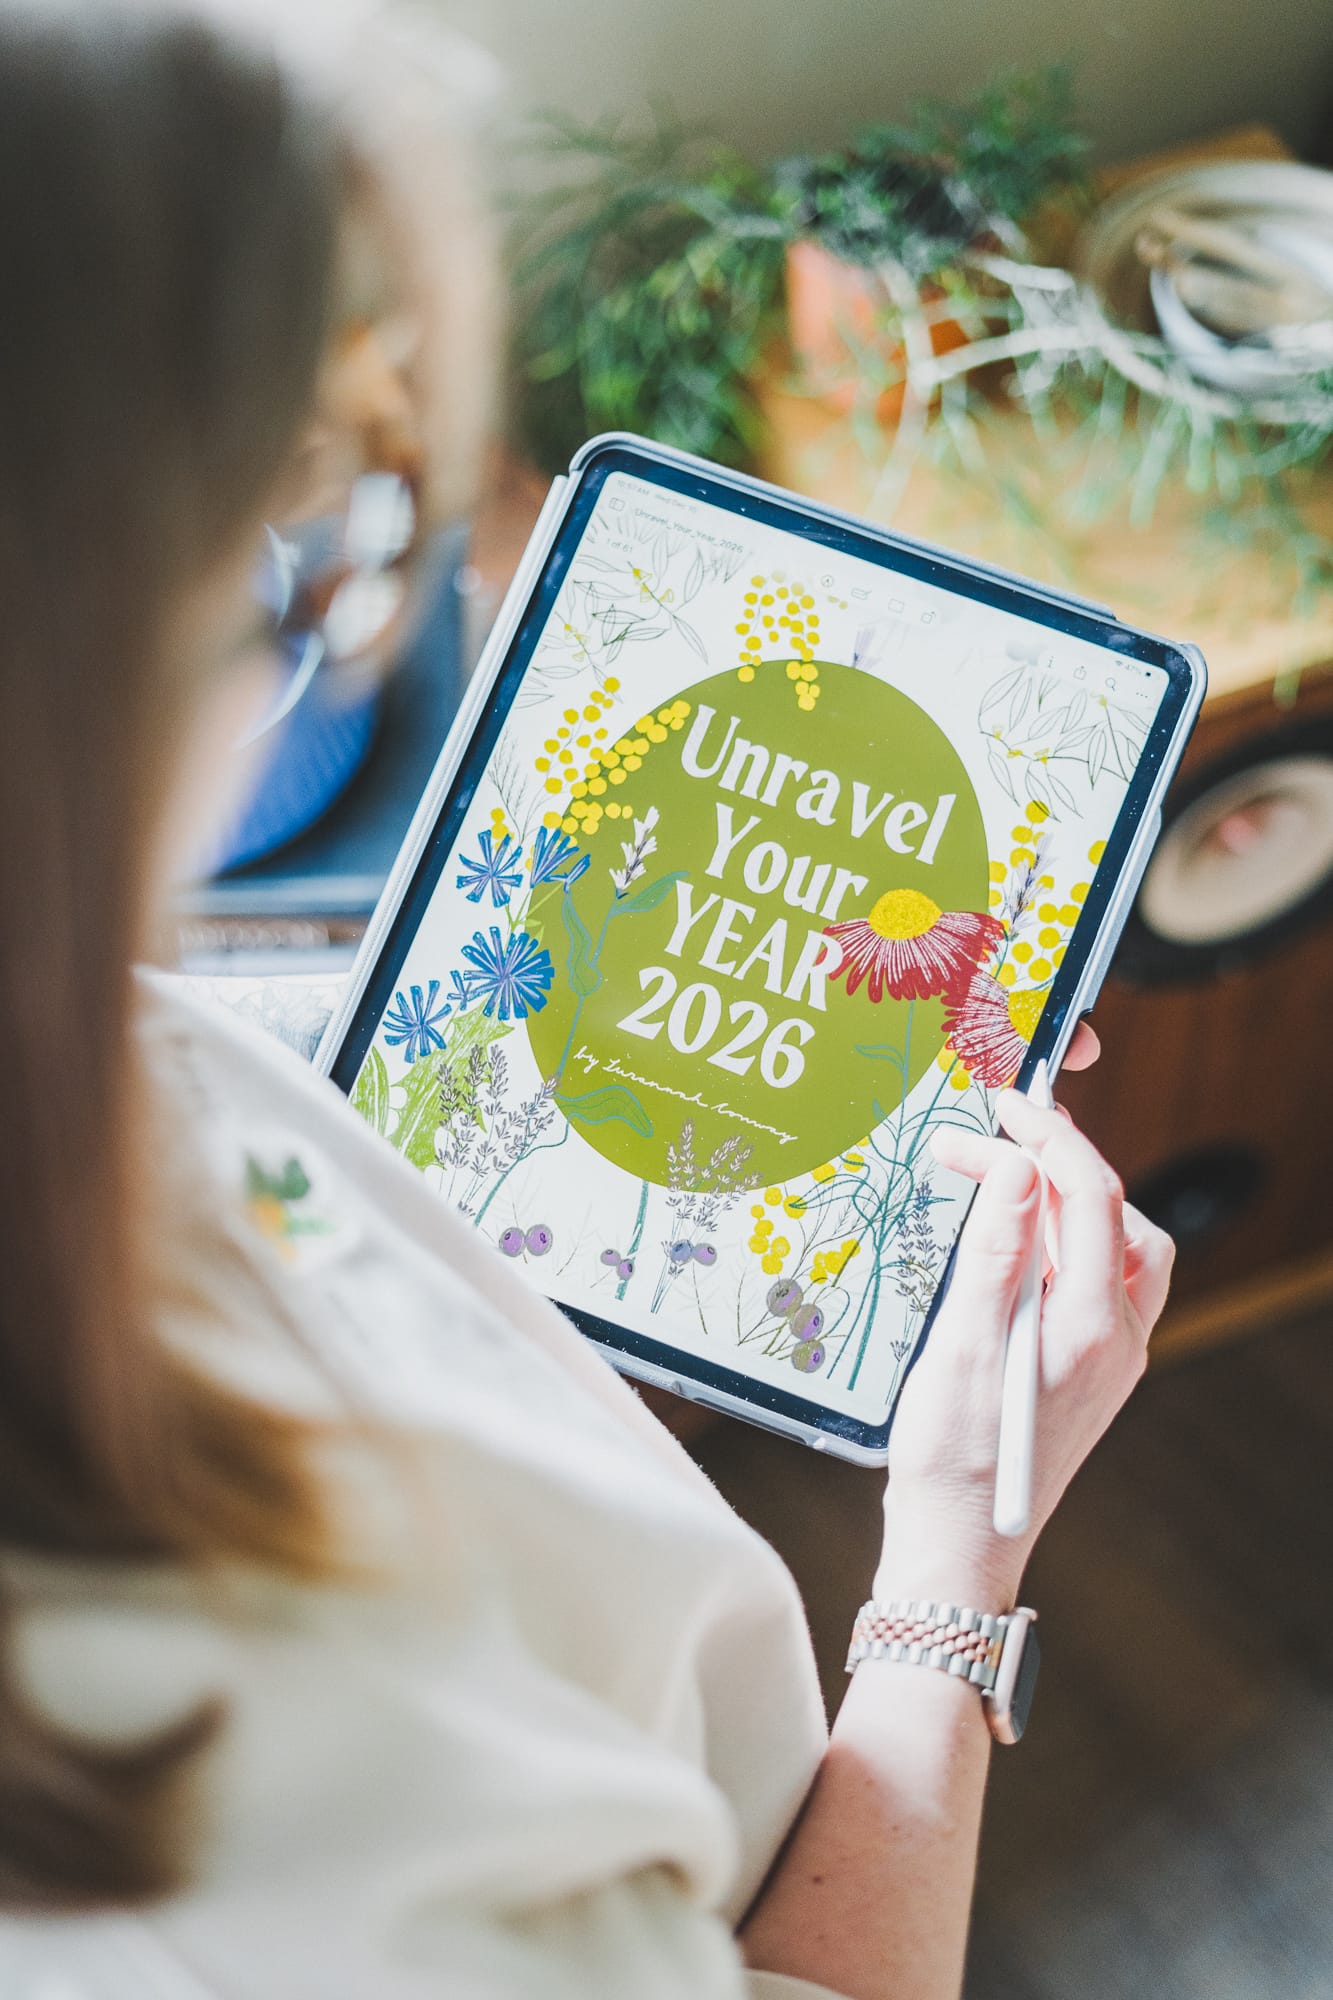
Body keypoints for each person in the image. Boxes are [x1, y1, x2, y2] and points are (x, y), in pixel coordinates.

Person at [0, 7, 1175, 1998]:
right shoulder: (244, 1828)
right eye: (326, 529)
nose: (350, 625)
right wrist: (953, 1576)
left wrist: (596, 1176)